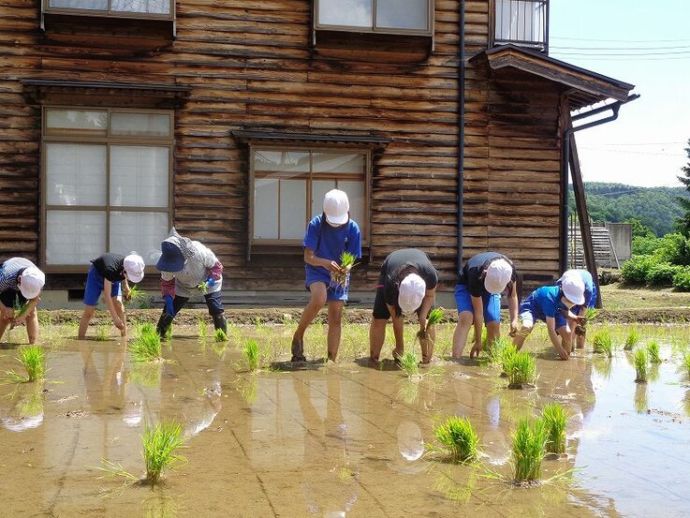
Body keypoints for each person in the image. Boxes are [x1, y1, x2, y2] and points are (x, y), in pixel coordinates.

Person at [291, 189, 362, 362]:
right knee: (319, 298)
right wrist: (326, 263)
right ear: (325, 212)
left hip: (339, 273)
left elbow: (351, 258)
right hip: (317, 267)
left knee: (336, 315)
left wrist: (346, 268)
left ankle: (331, 359)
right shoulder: (316, 224)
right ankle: (298, 335)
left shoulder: (353, 228)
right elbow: (308, 257)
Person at [369, 248, 438, 365]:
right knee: (379, 317)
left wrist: (423, 318)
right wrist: (400, 347)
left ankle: (426, 360)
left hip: (420, 268)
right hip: (390, 269)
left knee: (429, 321)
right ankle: (373, 359)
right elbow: (397, 317)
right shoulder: (390, 283)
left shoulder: (430, 274)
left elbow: (430, 296)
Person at [155, 229, 226, 338]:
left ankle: (222, 338)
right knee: (168, 312)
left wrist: (210, 281)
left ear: (184, 257)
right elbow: (167, 283)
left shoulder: (199, 252)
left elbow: (216, 267)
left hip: (207, 282)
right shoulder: (167, 264)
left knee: (216, 308)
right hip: (183, 286)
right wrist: (169, 301)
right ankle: (158, 337)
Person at [452, 252, 519, 359]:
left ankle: (492, 359)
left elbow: (512, 295)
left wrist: (514, 320)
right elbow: (478, 312)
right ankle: (456, 359)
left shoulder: (509, 270)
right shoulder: (475, 272)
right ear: (486, 273)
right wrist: (478, 341)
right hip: (466, 285)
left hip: (491, 290)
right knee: (467, 317)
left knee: (493, 322)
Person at [512, 274, 585, 360]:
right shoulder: (550, 298)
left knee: (567, 333)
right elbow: (551, 330)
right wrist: (559, 349)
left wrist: (575, 317)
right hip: (532, 307)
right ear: (566, 296)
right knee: (527, 327)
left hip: (554, 309)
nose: (573, 304)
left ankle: (565, 358)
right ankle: (511, 353)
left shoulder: (564, 298)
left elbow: (564, 310)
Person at [78, 252, 145, 339]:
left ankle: (124, 337)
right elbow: (107, 294)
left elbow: (124, 276)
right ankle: (81, 339)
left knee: (118, 304)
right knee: (89, 310)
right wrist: (115, 319)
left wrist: (126, 286)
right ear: (124, 271)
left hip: (115, 275)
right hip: (96, 275)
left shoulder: (128, 263)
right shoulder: (110, 269)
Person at [0, 257, 45, 344]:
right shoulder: (4, 276)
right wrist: (4, 308)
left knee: (31, 313)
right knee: (5, 317)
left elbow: (35, 300)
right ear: (20, 280)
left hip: (24, 281)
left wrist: (23, 315)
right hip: (8, 286)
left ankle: (33, 345)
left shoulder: (38, 278)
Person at [558, 269, 597, 350]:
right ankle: (568, 346)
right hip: (569, 289)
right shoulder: (560, 285)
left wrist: (578, 324)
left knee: (580, 324)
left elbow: (583, 310)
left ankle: (580, 347)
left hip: (585, 290)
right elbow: (560, 309)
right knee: (569, 323)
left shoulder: (587, 290)